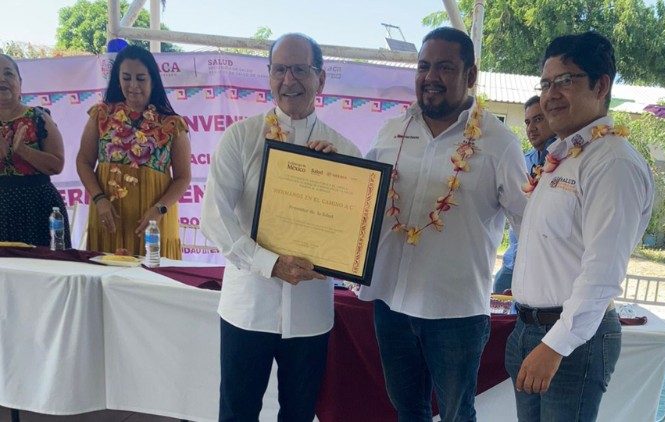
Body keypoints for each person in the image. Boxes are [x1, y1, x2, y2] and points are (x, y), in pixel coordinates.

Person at [357, 27, 528, 421]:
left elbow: (527, 222)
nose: (431, 77)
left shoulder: (498, 142)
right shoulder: (392, 131)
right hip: (391, 302)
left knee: (455, 414)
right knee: (408, 411)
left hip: (455, 312)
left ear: (470, 75)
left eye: (445, 67)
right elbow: (362, 196)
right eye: (424, 66)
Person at [200, 33, 361, 421]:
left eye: (300, 69)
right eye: (280, 69)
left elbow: (354, 231)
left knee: (299, 414)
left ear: (320, 79)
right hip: (248, 307)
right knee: (237, 413)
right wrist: (268, 263)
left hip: (309, 313)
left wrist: (341, 180)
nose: (289, 79)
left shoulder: (345, 151)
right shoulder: (241, 137)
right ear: (269, 76)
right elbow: (214, 217)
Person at [506, 31, 654, 421]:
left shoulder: (612, 162)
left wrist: (555, 346)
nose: (549, 94)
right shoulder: (563, 156)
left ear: (601, 85)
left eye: (565, 80)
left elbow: (603, 271)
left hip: (572, 340)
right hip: (529, 330)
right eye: (545, 83)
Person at [76, 45, 190, 258]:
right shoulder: (101, 115)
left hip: (154, 222)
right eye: (126, 77)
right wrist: (99, 199)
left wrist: (159, 209)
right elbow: (83, 161)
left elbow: (183, 178)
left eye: (141, 78)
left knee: (154, 284)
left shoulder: (173, 125)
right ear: (117, 80)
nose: (133, 85)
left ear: (153, 80)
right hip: (108, 219)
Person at [0, 54, 71, 248]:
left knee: (43, 271)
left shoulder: (38, 117)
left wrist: (23, 151)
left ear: (20, 82)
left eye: (8, 74)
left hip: (37, 206)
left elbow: (56, 165)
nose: (2, 79)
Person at [493, 95, 555, 293]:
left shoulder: (568, 161)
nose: (531, 128)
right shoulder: (520, 161)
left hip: (548, 268)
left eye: (538, 119)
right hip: (514, 263)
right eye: (527, 122)